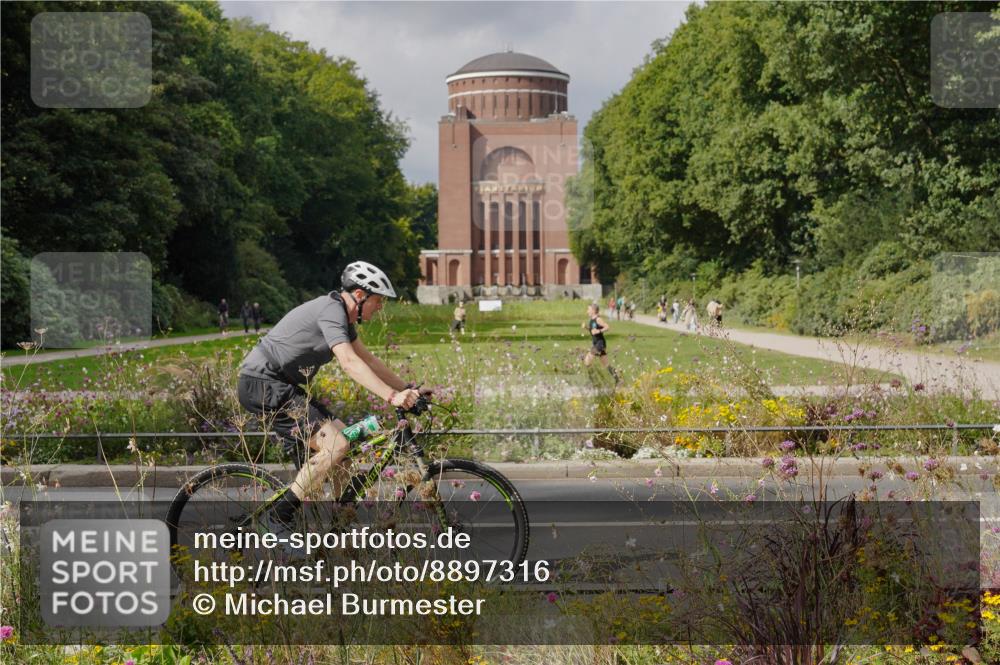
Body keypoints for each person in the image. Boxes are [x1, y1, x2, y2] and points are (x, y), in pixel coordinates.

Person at [237, 260, 422, 557]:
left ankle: (339, 535)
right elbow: (349, 362)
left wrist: (406, 388)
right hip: (263, 383)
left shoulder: (343, 318)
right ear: (360, 296)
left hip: (283, 386)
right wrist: (391, 397)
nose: (381, 308)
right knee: (337, 445)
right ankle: (277, 518)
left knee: (344, 453)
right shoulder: (331, 310)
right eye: (379, 301)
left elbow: (369, 360)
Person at [582, 302, 618, 381]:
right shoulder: (591, 320)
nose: (587, 311)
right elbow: (593, 331)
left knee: (587, 361)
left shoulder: (598, 319)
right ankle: (618, 380)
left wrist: (599, 331)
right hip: (597, 343)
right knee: (606, 364)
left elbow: (607, 327)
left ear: (593, 310)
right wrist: (587, 328)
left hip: (600, 344)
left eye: (588, 309)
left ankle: (593, 381)